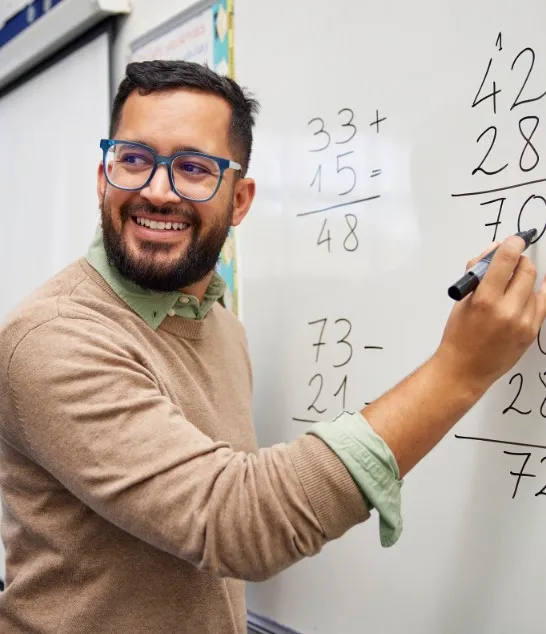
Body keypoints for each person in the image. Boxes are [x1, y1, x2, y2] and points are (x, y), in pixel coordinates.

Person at [0, 60, 544, 634]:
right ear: (103, 177)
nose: (156, 190)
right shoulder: (53, 338)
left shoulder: (221, 327)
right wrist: (459, 369)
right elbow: (237, 522)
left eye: (193, 168)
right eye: (133, 159)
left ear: (240, 200)